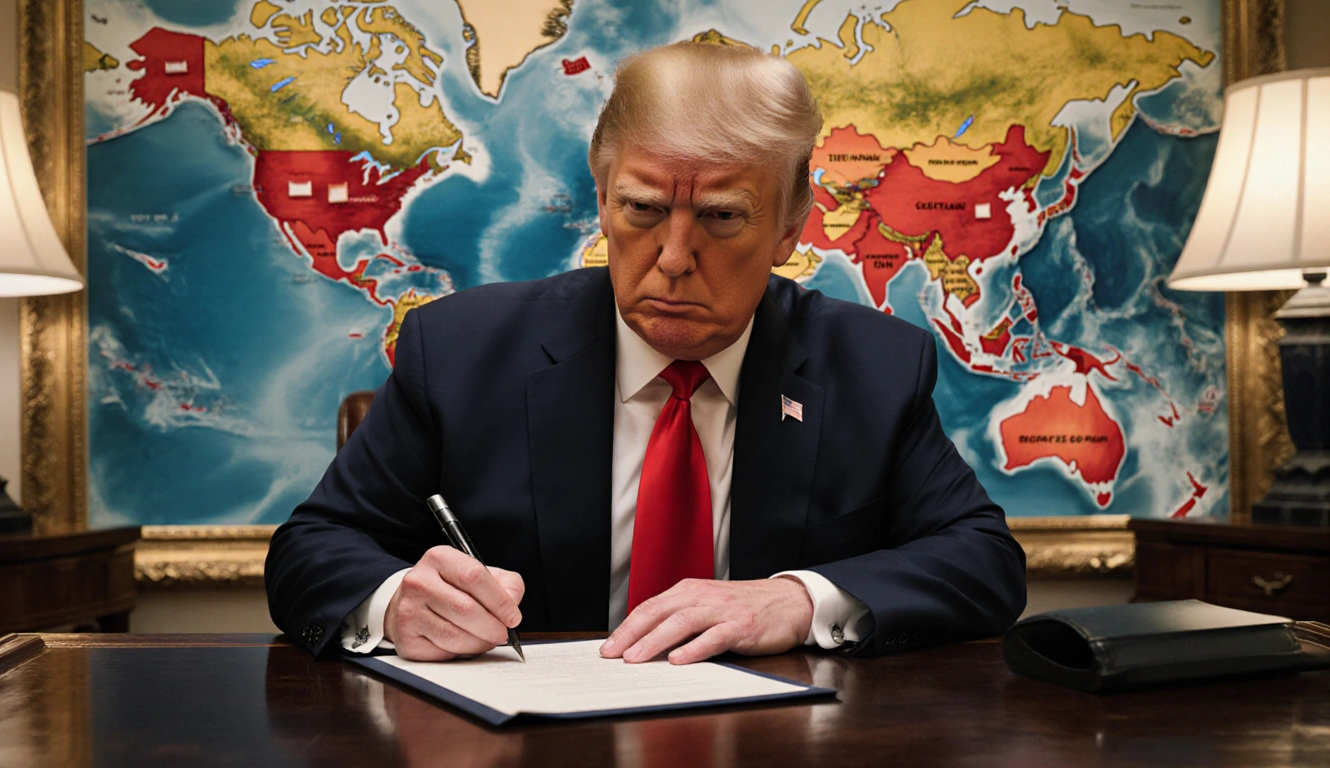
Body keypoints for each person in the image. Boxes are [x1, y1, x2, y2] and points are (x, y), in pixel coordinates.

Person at [265, 41, 1026, 665]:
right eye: (642, 209)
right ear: (601, 196)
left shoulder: (873, 368)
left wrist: (797, 599)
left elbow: (983, 563)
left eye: (723, 217)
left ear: (791, 228)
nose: (672, 255)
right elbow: (311, 551)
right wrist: (399, 604)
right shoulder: (460, 351)